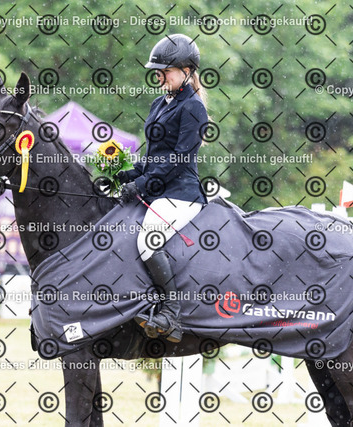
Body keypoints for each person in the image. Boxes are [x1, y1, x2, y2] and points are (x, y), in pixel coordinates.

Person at [115, 34, 208, 343]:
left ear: (187, 71)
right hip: (159, 189)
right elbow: (155, 155)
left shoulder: (193, 108)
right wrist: (128, 175)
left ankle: (172, 314)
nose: (159, 77)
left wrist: (142, 184)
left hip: (181, 193)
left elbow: (179, 159)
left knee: (148, 241)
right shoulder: (160, 103)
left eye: (165, 71)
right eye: (158, 71)